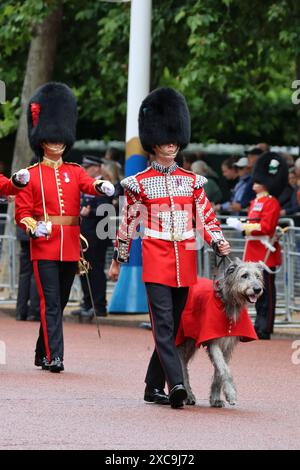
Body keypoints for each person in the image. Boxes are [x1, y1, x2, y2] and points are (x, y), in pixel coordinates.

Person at [108, 87, 231, 409]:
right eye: (165, 141)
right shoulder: (139, 183)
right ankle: (175, 383)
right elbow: (129, 222)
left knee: (173, 327)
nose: (171, 145)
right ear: (153, 144)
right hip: (156, 259)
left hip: (185, 260)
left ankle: (152, 385)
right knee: (163, 324)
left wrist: (219, 244)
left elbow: (205, 217)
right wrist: (118, 260)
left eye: (174, 140)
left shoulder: (192, 182)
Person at [15, 82, 115, 373]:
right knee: (52, 302)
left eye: (61, 140)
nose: (57, 144)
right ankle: (55, 356)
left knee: (56, 301)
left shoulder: (74, 171)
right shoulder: (29, 175)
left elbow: (87, 183)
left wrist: (100, 186)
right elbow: (22, 213)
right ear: (42, 140)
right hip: (44, 245)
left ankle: (41, 352)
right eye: (51, 139)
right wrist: (34, 227)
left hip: (70, 244)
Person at [227, 152, 288, 340]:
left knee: (265, 294)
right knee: (252, 293)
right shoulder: (255, 202)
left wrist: (244, 226)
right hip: (253, 251)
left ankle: (264, 327)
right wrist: (243, 224)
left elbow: (266, 227)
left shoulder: (271, 202)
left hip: (266, 253)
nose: (254, 183)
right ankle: (255, 326)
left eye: (257, 181)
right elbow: (255, 222)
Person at [71, 154, 113, 318]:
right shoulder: (87, 185)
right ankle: (87, 303)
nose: (85, 170)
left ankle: (99, 306)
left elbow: (106, 209)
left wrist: (90, 211)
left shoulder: (103, 186)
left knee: (95, 272)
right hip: (84, 235)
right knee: (83, 270)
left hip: (97, 235)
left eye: (87, 168)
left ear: (96, 168)